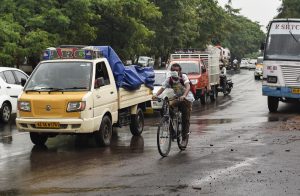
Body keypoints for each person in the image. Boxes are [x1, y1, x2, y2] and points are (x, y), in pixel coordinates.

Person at [153, 63, 194, 143]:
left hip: (187, 98)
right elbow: (162, 88)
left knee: (185, 118)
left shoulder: (183, 77)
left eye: (176, 70)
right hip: (177, 98)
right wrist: (156, 95)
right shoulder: (169, 79)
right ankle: (173, 131)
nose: (175, 71)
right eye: (173, 70)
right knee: (166, 109)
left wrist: (184, 95)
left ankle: (184, 138)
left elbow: (188, 86)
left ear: (179, 71)